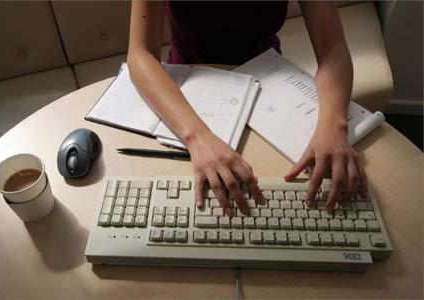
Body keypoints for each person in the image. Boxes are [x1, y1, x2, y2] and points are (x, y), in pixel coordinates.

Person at [127, 1, 368, 216]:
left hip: (268, 88)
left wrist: (334, 124)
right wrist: (197, 137)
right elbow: (140, 54)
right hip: (190, 94)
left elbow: (333, 49)